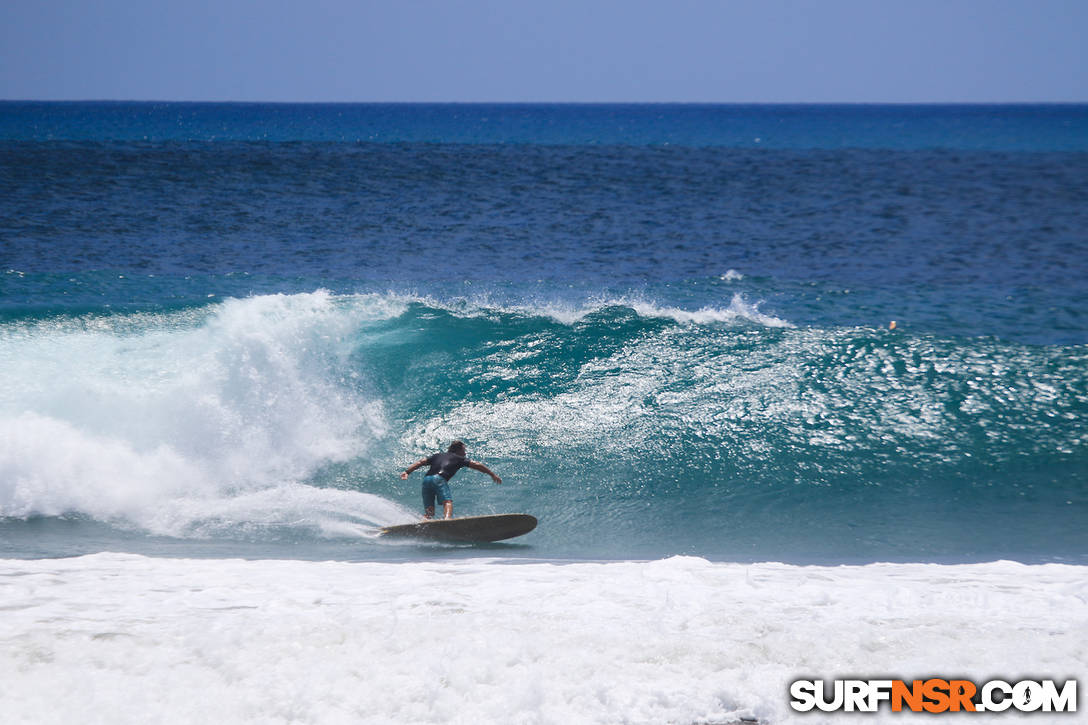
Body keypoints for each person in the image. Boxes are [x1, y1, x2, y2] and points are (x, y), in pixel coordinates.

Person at [400, 440, 502, 519]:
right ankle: (447, 520)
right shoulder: (459, 458)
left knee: (430, 512)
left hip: (426, 480)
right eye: (464, 450)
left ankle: (424, 522)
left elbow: (421, 462)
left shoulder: (438, 455)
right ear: (458, 450)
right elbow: (477, 465)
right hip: (438, 479)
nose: (465, 453)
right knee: (447, 501)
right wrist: (492, 474)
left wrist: (407, 472)